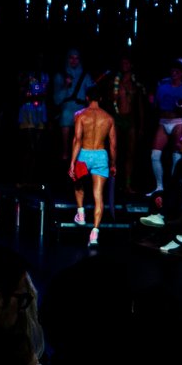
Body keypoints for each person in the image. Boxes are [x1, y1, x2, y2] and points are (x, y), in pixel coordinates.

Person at [68, 88, 116, 249]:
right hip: (101, 155)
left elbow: (77, 139)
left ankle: (81, 214)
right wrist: (113, 164)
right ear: (100, 98)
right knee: (98, 195)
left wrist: (72, 162)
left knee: (78, 184)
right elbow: (113, 145)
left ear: (87, 97)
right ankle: (94, 232)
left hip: (84, 154)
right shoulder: (108, 118)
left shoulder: (81, 115)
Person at [151, 58, 182, 202]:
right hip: (163, 121)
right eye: (173, 70)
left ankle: (175, 186)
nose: (174, 73)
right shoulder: (163, 86)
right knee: (155, 154)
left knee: (177, 155)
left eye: (177, 71)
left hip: (178, 122)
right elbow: (156, 104)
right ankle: (159, 186)